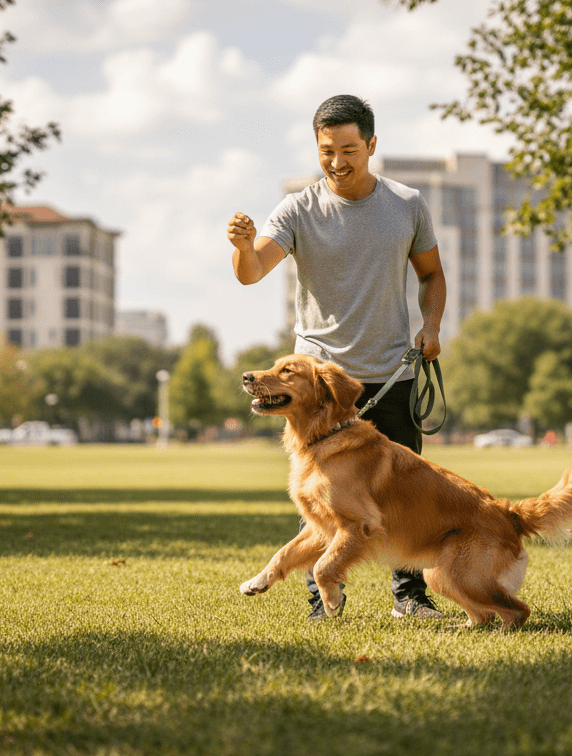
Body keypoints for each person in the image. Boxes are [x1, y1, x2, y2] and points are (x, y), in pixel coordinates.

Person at [227, 94, 449, 621]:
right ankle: (322, 601)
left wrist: (432, 325)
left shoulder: (407, 204)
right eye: (327, 150)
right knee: (324, 499)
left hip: (390, 375)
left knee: (403, 495)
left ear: (371, 146)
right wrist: (240, 245)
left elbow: (432, 275)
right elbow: (253, 270)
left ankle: (409, 598)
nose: (337, 161)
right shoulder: (298, 209)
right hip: (320, 383)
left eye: (349, 149)